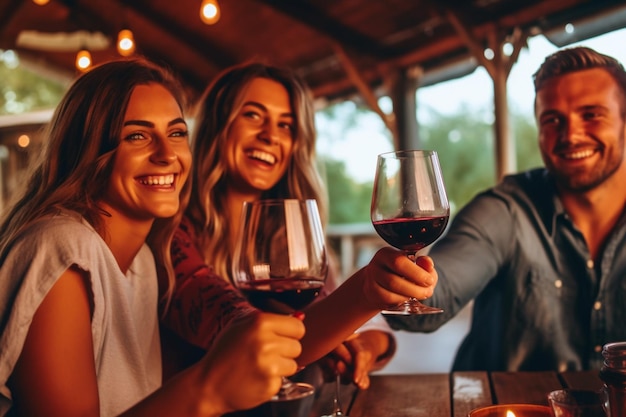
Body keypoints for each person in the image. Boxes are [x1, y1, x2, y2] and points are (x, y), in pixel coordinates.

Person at [0, 58, 309, 417]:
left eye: (177, 133)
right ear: (88, 150)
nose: (167, 155)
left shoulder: (144, 262)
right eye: (137, 136)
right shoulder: (62, 249)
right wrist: (208, 389)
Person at [385, 46, 626, 372]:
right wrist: (397, 285)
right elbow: (437, 294)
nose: (571, 135)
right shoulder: (504, 209)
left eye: (592, 114)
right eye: (552, 119)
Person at [160, 62, 400, 389]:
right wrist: (366, 292)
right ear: (218, 125)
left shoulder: (288, 236)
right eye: (253, 115)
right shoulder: (173, 234)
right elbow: (249, 336)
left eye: (285, 125)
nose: (270, 135)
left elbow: (340, 313)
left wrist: (365, 344)